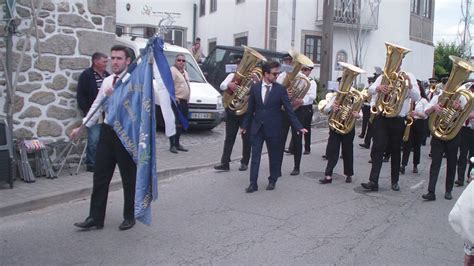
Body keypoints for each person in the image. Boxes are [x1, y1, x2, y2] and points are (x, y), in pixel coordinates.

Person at [70, 45, 136, 230]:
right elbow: (97, 106)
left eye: (119, 58)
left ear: (128, 61)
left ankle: (129, 216)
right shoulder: (108, 81)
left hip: (126, 134)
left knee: (128, 178)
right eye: (112, 58)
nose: (114, 62)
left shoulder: (134, 82)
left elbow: (135, 110)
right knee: (100, 177)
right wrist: (81, 127)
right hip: (107, 133)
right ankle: (95, 218)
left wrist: (115, 97)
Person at [241, 61, 307, 193]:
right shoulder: (255, 88)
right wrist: (244, 126)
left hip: (274, 128)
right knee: (255, 156)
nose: (277, 76)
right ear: (266, 74)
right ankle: (253, 183)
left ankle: (272, 180)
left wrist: (299, 127)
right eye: (274, 74)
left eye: (277, 73)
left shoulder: (280, 89)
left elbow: (289, 110)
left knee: (274, 156)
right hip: (257, 127)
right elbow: (250, 110)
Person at [361, 70, 420, 192]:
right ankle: (373, 181)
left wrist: (409, 85)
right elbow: (370, 90)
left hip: (398, 118)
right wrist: (379, 87)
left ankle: (395, 181)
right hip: (382, 117)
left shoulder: (409, 76)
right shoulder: (384, 76)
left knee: (395, 150)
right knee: (378, 148)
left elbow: (417, 96)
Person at [421, 84, 469, 201]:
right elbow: (425, 111)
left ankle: (448, 190)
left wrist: (459, 109)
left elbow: (466, 116)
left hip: (453, 134)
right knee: (435, 163)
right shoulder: (438, 96)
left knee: (452, 163)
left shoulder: (462, 98)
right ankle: (431, 191)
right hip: (438, 134)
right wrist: (434, 108)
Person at [214, 55, 252, 171]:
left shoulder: (250, 78)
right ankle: (225, 163)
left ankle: (244, 162)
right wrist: (229, 85)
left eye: (242, 65)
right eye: (239, 65)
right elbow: (222, 85)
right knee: (229, 138)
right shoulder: (232, 76)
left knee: (247, 138)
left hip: (245, 111)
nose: (240, 67)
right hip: (232, 111)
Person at [277, 64, 315, 176]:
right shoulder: (283, 76)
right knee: (280, 139)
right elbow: (276, 90)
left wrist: (301, 101)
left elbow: (312, 96)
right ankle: (277, 167)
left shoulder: (306, 80)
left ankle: (296, 167)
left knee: (297, 139)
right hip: (284, 111)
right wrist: (284, 94)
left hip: (299, 111)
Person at [76, 52, 109, 172]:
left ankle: (102, 161)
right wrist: (87, 111)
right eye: (104, 61)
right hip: (93, 112)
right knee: (94, 139)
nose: (106, 64)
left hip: (106, 113)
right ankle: (91, 163)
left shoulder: (107, 75)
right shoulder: (87, 75)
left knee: (104, 140)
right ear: (95, 61)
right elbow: (81, 95)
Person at [319, 91, 361, 184]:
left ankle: (349, 174)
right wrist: (331, 107)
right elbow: (325, 110)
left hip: (348, 127)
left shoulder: (355, 97)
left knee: (347, 151)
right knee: (332, 151)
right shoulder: (336, 97)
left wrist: (357, 115)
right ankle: (328, 175)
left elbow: (360, 114)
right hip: (335, 127)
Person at [400, 81, 429, 175]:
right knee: (407, 145)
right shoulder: (408, 99)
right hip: (409, 123)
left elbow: (426, 115)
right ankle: (403, 165)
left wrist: (417, 113)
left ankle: (415, 165)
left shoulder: (423, 101)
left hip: (419, 123)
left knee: (417, 146)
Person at [169, 54, 190, 154]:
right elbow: (169, 85)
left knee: (181, 124)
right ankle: (172, 145)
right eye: (179, 60)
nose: (181, 62)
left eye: (183, 60)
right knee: (175, 122)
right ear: (175, 61)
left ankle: (177, 143)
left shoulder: (185, 72)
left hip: (184, 101)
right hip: (177, 101)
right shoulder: (173, 71)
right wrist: (174, 97)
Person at [455, 83, 474, 187]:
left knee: (473, 155)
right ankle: (460, 178)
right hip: (464, 128)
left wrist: (465, 113)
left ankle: (470, 176)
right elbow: (458, 112)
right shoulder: (464, 96)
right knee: (462, 154)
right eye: (471, 89)